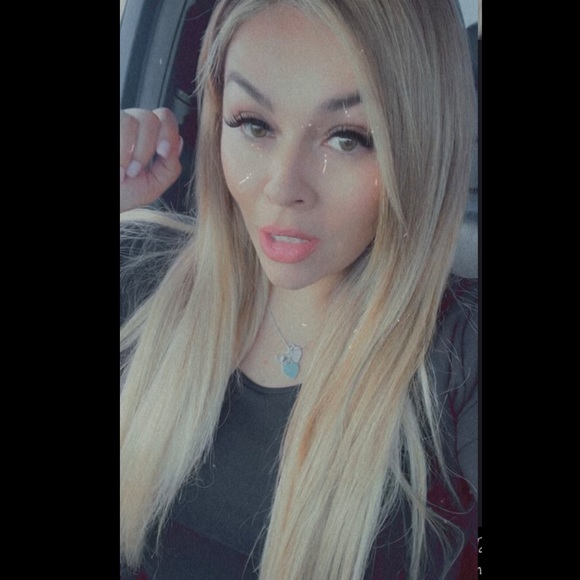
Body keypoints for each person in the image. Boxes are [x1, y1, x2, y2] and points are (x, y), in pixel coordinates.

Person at [120, 0, 478, 578]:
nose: (283, 187)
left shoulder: (458, 353)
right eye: (253, 124)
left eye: (348, 138)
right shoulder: (140, 270)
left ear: (421, 147)